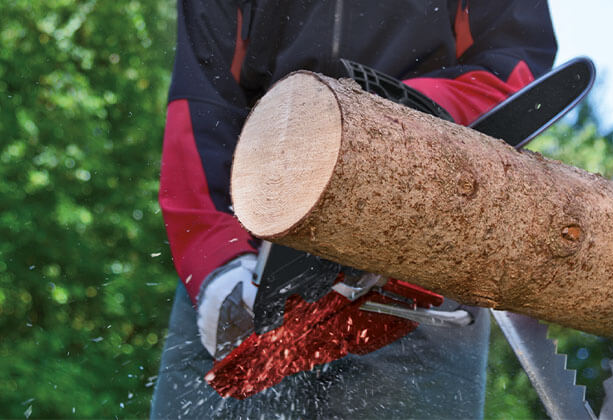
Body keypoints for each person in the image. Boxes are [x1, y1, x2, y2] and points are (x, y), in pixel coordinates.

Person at [152, 0, 557, 418]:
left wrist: (385, 120)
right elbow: (200, 100)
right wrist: (214, 260)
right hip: (254, 260)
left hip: (420, 264)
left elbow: (513, 70)